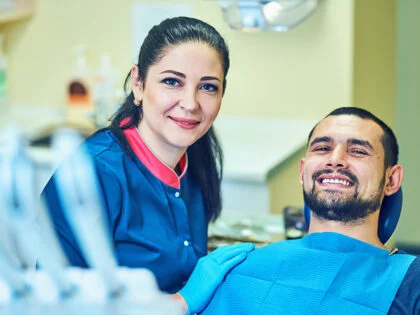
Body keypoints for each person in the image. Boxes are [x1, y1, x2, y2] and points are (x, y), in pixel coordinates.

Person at [41, 16, 254, 315]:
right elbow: (53, 305)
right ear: (139, 83)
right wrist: (181, 302)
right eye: (172, 81)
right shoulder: (93, 172)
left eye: (207, 87)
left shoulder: (196, 160)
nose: (190, 103)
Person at [201, 107, 420, 314]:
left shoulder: (411, 281)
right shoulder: (237, 266)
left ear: (391, 180)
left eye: (358, 151)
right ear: (302, 172)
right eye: (323, 148)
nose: (335, 160)